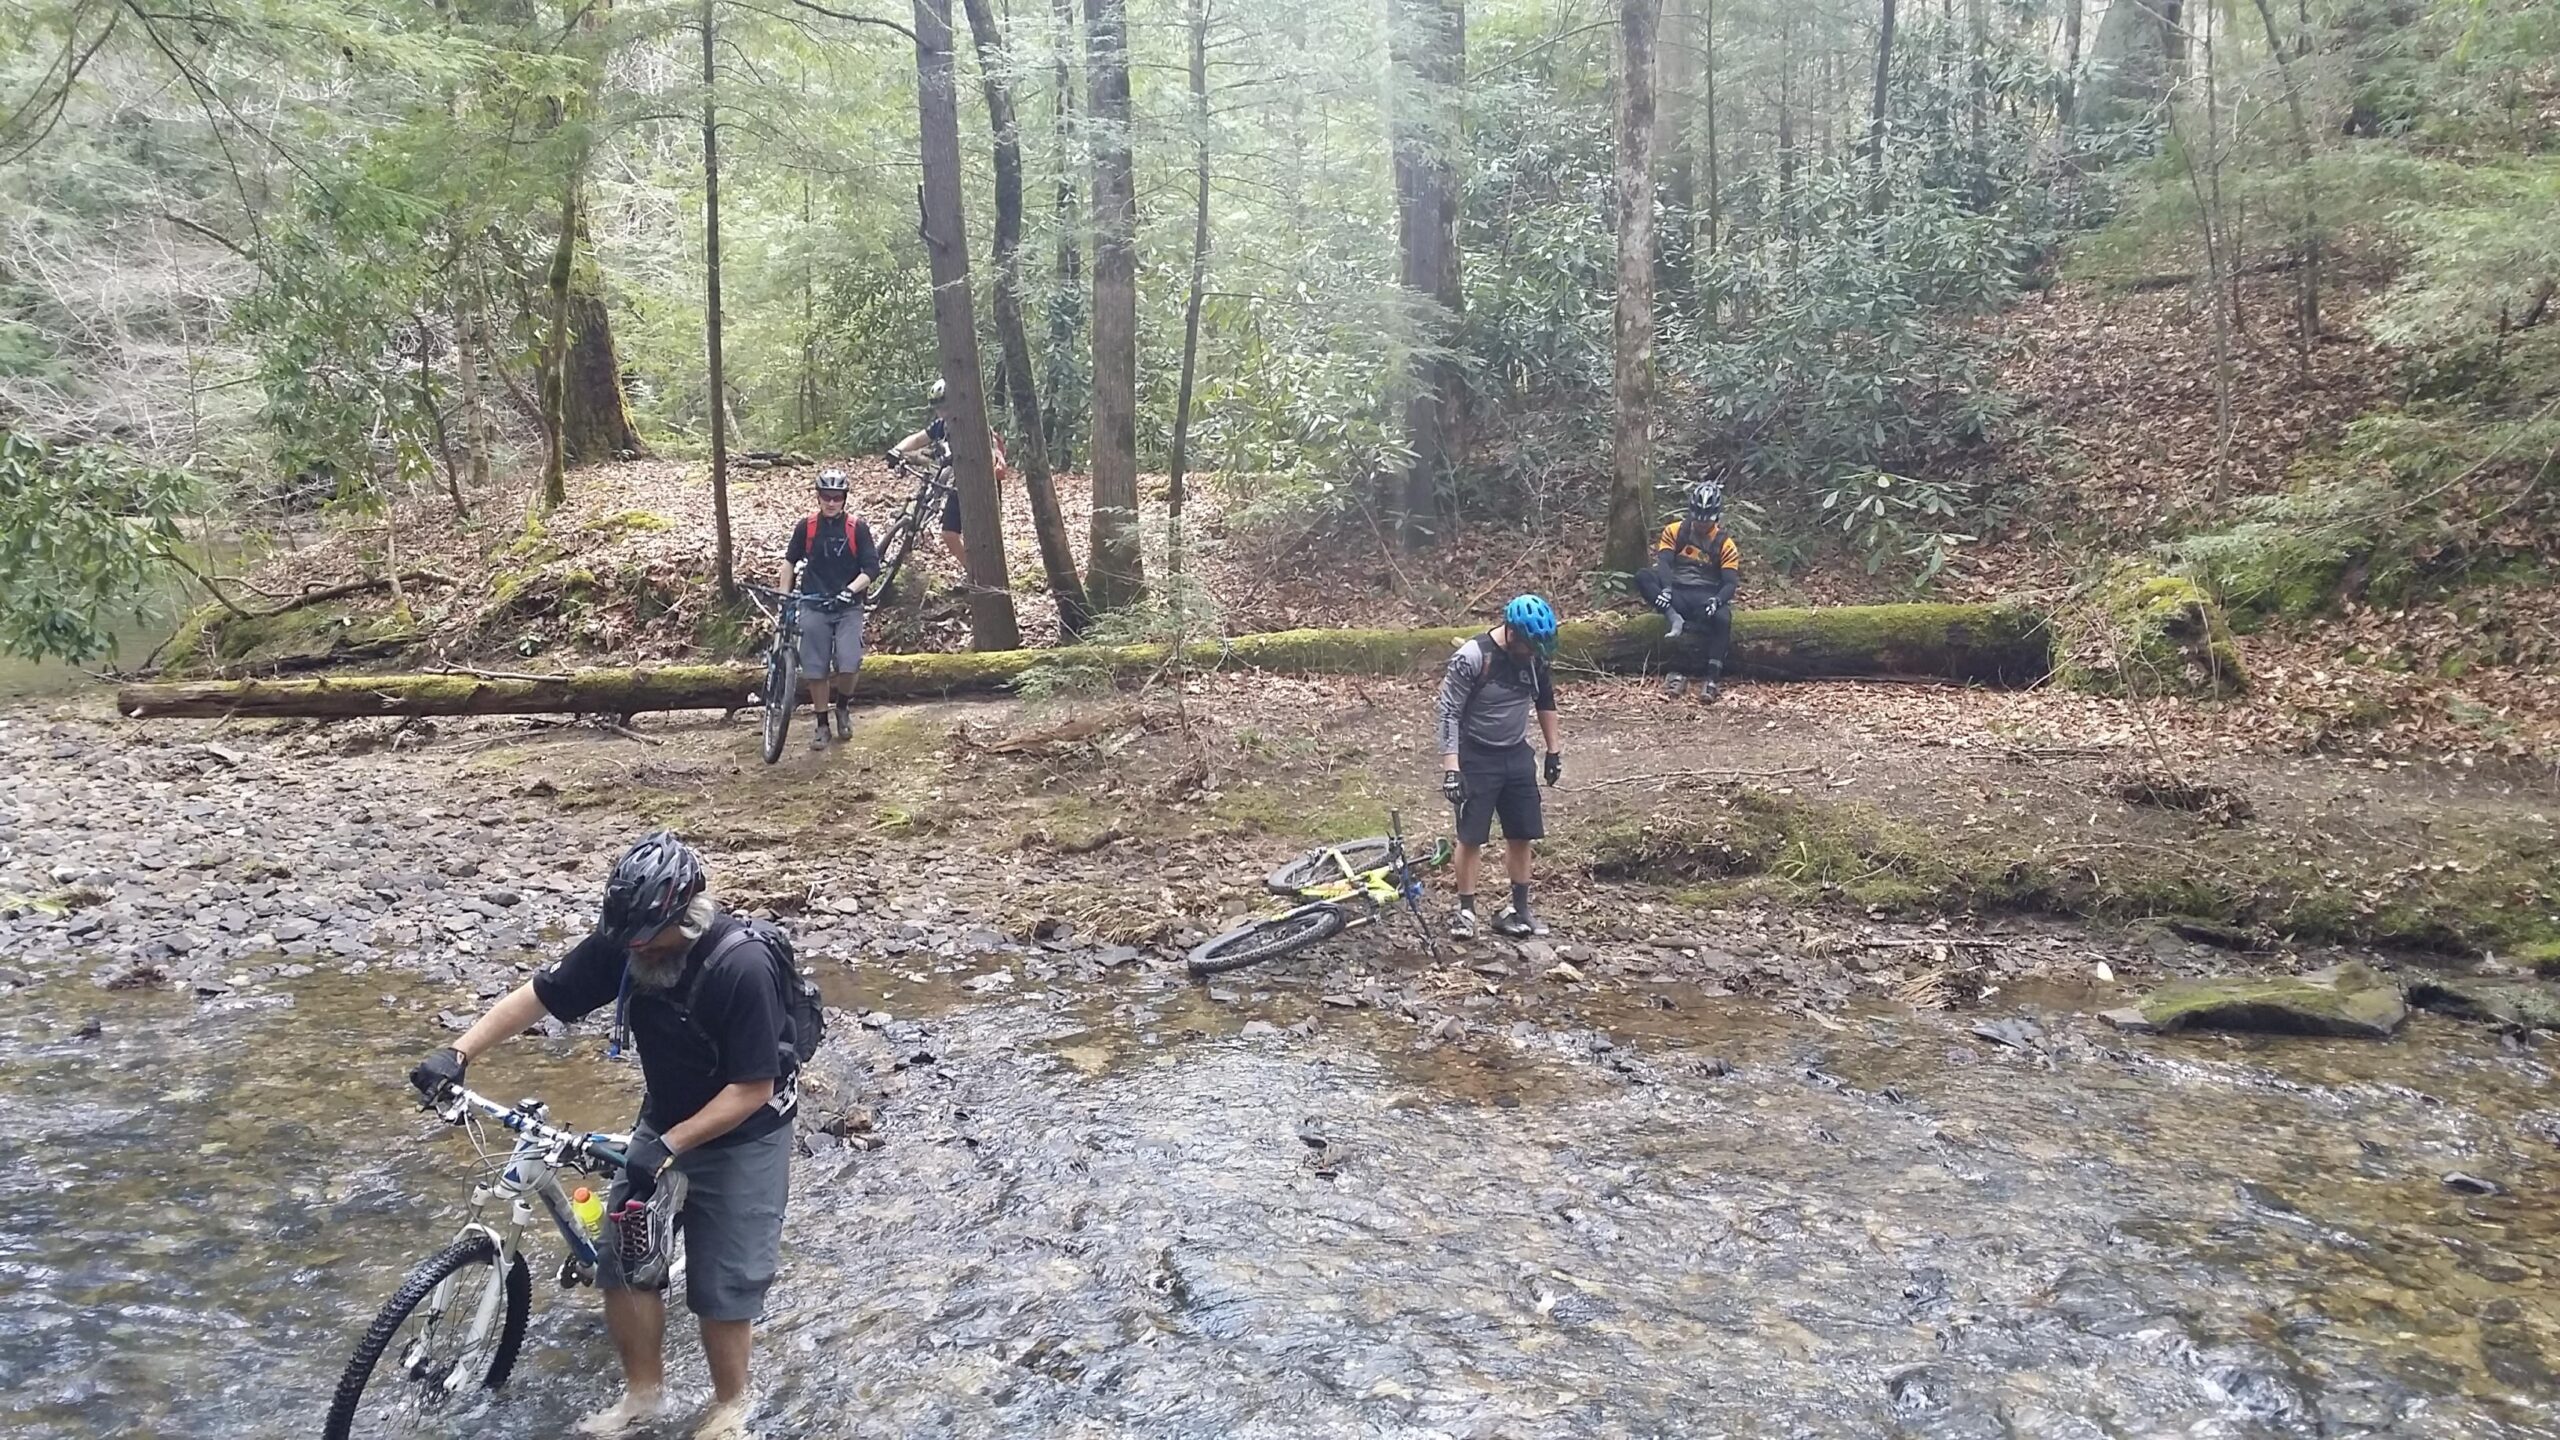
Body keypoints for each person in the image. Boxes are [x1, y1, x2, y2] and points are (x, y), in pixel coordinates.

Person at [408, 832, 798, 1440]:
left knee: (724, 1282)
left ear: (686, 918)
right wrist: (459, 1051)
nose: (636, 949)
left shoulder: (739, 967)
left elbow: (753, 1089)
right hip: (666, 1110)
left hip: (745, 1129)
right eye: (627, 938)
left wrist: (667, 1148)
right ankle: (643, 1397)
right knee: (625, 1262)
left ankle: (730, 1406)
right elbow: (541, 995)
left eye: (648, 938)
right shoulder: (625, 942)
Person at [1436, 594, 1564, 939]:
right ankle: (1465, 911)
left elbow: (1545, 702)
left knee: (1522, 834)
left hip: (1516, 753)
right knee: (1471, 836)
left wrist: (1553, 751)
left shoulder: (1536, 658)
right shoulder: (1474, 657)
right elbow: (1448, 713)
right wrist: (1452, 768)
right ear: (1510, 633)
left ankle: (1518, 909)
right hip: (1476, 754)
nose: (1532, 653)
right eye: (1527, 645)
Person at [782, 468, 880, 748]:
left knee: (849, 663)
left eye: (837, 497)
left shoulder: (856, 528)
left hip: (848, 605)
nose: (831, 502)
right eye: (826, 496)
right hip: (814, 602)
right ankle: (822, 723)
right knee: (816, 668)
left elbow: (871, 567)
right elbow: (789, 562)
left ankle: (843, 707)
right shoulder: (807, 527)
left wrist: (850, 590)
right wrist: (784, 595)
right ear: (818, 497)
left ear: (844, 499)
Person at [1635, 478, 1742, 703]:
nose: (1701, 526)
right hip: (1677, 591)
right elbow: (1663, 563)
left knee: (1723, 618)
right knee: (1643, 576)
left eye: (1706, 522)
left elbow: (1730, 583)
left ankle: (1712, 677)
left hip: (1704, 594)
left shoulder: (1725, 544)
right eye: (1698, 520)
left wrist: (1716, 601)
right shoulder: (1675, 531)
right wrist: (1665, 590)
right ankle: (1674, 621)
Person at [889, 376, 1007, 573]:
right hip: (958, 484)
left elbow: (994, 451)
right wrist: (897, 450)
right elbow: (918, 439)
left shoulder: (976, 426)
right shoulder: (942, 426)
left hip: (983, 487)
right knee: (949, 534)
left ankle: (989, 576)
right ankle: (973, 574)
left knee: (982, 538)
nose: (941, 411)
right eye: (937, 407)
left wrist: (996, 462)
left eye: (944, 406)